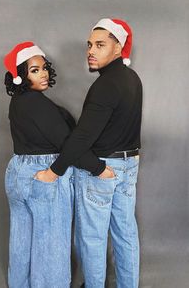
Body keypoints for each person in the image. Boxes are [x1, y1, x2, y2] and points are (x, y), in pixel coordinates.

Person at [36, 18, 143, 288]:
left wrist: (54, 170)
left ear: (118, 48)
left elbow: (83, 136)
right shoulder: (132, 78)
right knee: (125, 233)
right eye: (89, 45)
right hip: (129, 164)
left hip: (103, 169)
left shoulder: (105, 85)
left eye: (100, 45)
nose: (91, 51)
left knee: (93, 238)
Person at [3, 41, 99, 288]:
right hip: (44, 174)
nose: (43, 74)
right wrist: (99, 168)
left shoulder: (17, 103)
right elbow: (66, 143)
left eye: (44, 68)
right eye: (34, 70)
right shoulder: (37, 103)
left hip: (17, 171)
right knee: (51, 248)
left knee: (21, 244)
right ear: (21, 76)